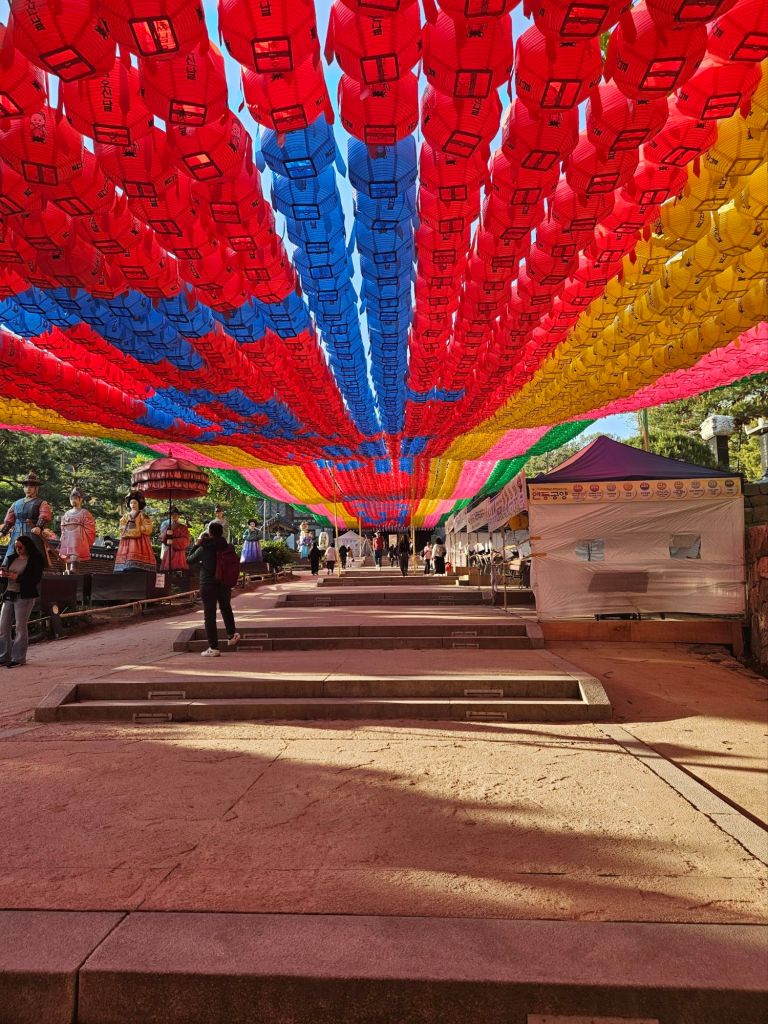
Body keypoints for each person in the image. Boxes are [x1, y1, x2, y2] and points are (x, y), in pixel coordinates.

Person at [187, 520, 240, 658]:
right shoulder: (228, 547)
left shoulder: (204, 548)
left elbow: (189, 559)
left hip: (208, 584)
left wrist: (197, 544)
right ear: (221, 533)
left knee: (209, 615)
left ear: (209, 533)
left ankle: (213, 647)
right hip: (224, 583)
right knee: (226, 608)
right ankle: (231, 635)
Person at [0, 535, 44, 667]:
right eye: (16, 547)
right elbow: (6, 576)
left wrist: (18, 577)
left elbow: (35, 580)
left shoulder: (35, 560)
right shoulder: (11, 558)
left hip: (24, 596)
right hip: (9, 594)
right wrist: (3, 575)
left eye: (21, 547)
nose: (18, 550)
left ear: (27, 547)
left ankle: (18, 658)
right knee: (3, 626)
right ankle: (3, 656)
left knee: (20, 627)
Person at [1, 471, 52, 567]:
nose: (28, 489)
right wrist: (3, 532)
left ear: (36, 488)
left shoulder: (41, 502)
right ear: (23, 488)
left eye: (31, 487)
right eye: (26, 486)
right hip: (17, 532)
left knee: (33, 555)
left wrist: (39, 527)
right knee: (12, 554)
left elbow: (44, 515)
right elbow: (9, 519)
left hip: (32, 532)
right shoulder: (16, 503)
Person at [114, 493, 155, 573]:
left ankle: (138, 565)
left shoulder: (143, 515)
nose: (133, 504)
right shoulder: (125, 516)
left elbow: (148, 527)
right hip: (127, 540)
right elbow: (121, 527)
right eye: (131, 503)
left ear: (139, 504)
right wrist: (127, 529)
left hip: (140, 541)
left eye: (135, 503)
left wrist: (138, 529)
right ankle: (124, 566)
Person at [59, 487, 96, 574]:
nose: (73, 500)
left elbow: (90, 526)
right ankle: (67, 569)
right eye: (71, 499)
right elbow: (62, 525)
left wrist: (85, 537)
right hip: (67, 536)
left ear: (80, 499)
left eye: (75, 498)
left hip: (78, 536)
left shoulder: (84, 513)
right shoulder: (67, 513)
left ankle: (73, 569)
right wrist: (62, 535)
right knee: (67, 553)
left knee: (75, 553)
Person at [159, 507, 191, 572]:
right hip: (168, 551)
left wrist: (173, 541)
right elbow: (162, 538)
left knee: (178, 570)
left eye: (176, 514)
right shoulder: (166, 526)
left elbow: (186, 540)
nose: (174, 516)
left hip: (179, 553)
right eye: (172, 514)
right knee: (167, 570)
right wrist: (167, 532)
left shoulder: (183, 527)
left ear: (178, 516)